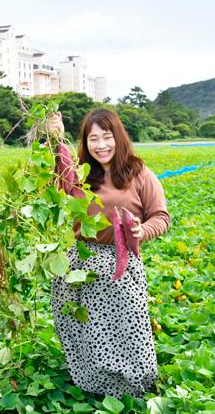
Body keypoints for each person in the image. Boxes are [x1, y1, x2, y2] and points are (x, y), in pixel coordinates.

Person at [50, 108, 170, 398]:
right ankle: (95, 388)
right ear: (86, 142)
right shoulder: (78, 174)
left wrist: (143, 231)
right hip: (79, 263)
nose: (101, 145)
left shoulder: (138, 173)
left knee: (129, 329)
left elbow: (161, 217)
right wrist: (55, 141)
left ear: (119, 137)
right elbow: (51, 189)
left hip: (121, 264)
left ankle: (135, 388)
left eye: (107, 137)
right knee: (83, 330)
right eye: (93, 139)